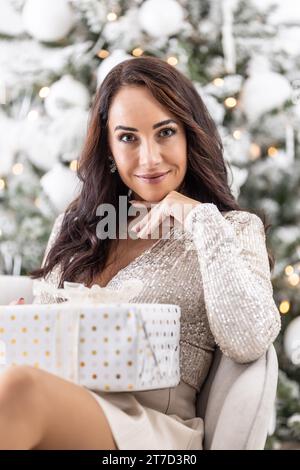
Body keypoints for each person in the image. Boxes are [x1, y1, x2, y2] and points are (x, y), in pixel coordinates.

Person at [3, 56, 281, 450]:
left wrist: (200, 221)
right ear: (109, 146)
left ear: (189, 134)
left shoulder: (231, 228)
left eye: (164, 132)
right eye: (128, 137)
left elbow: (249, 340)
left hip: (151, 430)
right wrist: (22, 329)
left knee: (20, 388)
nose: (149, 158)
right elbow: (52, 331)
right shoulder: (78, 223)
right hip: (62, 404)